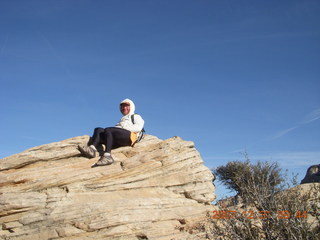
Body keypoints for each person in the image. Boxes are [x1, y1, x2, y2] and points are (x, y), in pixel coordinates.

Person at [78, 98, 145, 167]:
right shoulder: (122, 119)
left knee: (108, 130)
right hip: (119, 139)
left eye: (127, 106)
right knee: (98, 130)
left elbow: (138, 128)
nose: (124, 108)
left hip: (130, 138)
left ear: (131, 107)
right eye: (122, 106)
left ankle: (107, 156)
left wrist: (121, 127)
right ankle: (92, 149)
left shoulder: (135, 116)